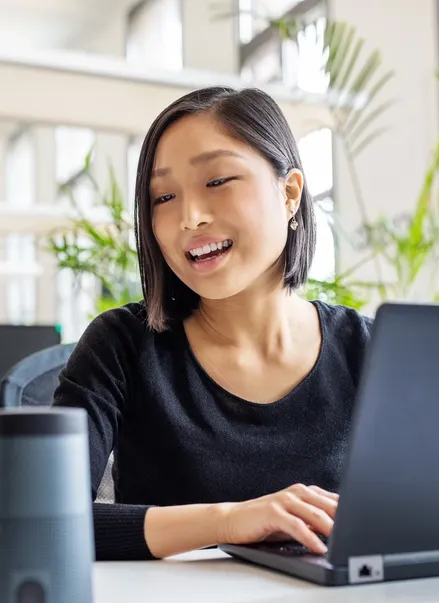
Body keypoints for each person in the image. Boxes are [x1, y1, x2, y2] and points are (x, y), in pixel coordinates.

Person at [53, 86, 372, 561]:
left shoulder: (369, 349)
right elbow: (43, 518)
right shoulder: (120, 346)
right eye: (163, 196)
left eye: (218, 181)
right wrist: (228, 521)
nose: (189, 217)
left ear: (289, 193)